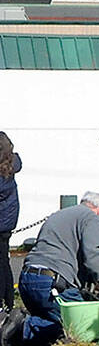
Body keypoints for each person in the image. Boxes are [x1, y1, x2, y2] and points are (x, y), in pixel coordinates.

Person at [5, 191, 99, 346]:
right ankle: (22, 325)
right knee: (82, 327)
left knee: (53, 324)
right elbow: (93, 257)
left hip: (28, 279)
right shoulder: (92, 218)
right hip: (53, 283)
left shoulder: (59, 215)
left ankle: (16, 324)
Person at [0, 131, 21, 312]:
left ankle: (2, 300)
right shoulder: (11, 165)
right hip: (7, 221)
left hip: (2, 221)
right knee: (3, 260)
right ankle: (8, 300)